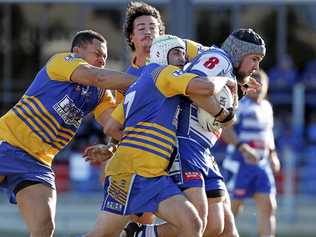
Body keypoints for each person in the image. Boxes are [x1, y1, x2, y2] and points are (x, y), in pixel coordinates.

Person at [84, 34, 236, 237]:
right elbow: (206, 87)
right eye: (176, 53)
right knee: (101, 235)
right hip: (130, 173)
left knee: (193, 223)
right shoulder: (164, 73)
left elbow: (111, 126)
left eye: (183, 53)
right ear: (161, 55)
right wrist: (227, 79)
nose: (182, 58)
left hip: (154, 175)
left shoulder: (142, 82)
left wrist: (117, 145)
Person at [123, 28, 265, 237]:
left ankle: (140, 234)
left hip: (203, 151)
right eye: (254, 58)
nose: (256, 66)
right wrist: (222, 113)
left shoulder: (229, 73)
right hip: (186, 145)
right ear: (239, 52)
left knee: (220, 228)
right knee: (196, 222)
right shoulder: (219, 59)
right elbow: (194, 87)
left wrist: (237, 93)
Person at [0, 29, 136, 237]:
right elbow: (96, 76)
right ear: (76, 51)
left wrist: (113, 146)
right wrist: (145, 82)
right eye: (97, 54)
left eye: (105, 57)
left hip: (38, 163)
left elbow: (112, 125)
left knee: (44, 228)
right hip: (7, 142)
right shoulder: (61, 62)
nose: (102, 60)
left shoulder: (100, 94)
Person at [221, 70, 280, 237]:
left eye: (263, 83)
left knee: (269, 206)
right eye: (256, 82)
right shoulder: (239, 105)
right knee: (233, 209)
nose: (259, 87)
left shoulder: (267, 107)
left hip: (262, 164)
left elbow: (268, 133)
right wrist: (243, 148)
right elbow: (226, 131)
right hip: (240, 163)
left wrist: (273, 154)